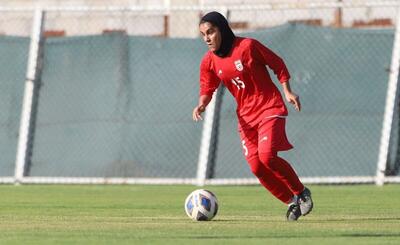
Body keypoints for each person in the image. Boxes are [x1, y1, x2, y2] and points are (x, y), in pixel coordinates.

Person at [192, 11, 313, 221]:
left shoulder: (247, 47)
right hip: (246, 118)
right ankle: (292, 202)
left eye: (210, 32)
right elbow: (207, 85)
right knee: (257, 166)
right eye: (203, 34)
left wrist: (287, 90)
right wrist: (202, 104)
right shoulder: (209, 61)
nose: (207, 38)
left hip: (269, 108)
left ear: (222, 29)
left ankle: (302, 193)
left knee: (267, 156)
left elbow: (277, 63)